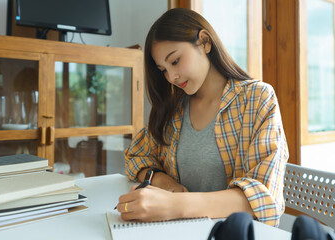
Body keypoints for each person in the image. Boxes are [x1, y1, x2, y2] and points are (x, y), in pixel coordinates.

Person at [115, 8, 289, 227]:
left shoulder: (257, 98)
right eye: (163, 70)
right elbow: (136, 155)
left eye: (175, 61)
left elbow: (263, 196)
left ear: (205, 42)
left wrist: (173, 204)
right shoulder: (174, 109)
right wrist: (163, 181)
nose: (171, 77)